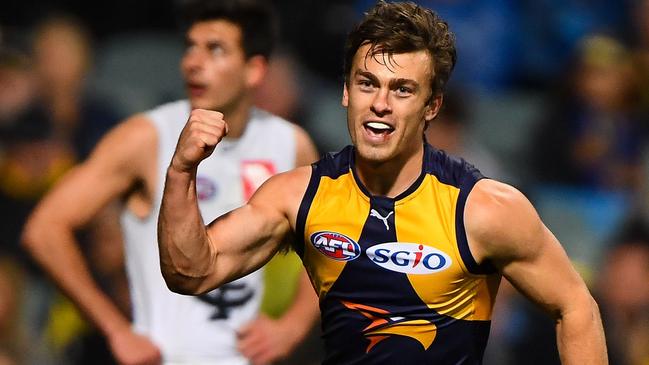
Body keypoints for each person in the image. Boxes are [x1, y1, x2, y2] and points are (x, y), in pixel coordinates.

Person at [158, 1, 607, 364]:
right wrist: (181, 172)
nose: (381, 104)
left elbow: (576, 308)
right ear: (346, 93)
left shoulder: (482, 208)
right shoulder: (299, 196)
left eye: (403, 90)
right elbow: (191, 273)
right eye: (368, 83)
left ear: (431, 107)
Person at [21, 0, 320, 364]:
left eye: (215, 50)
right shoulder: (147, 137)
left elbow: (330, 243)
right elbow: (44, 229)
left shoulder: (290, 144)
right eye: (190, 47)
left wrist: (292, 326)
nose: (193, 62)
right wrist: (116, 330)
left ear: (254, 70)